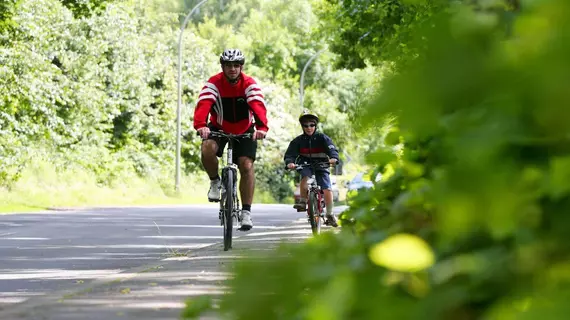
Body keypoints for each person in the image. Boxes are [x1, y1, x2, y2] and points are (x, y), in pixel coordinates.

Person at [193, 49, 268, 231]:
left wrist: (262, 128)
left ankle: (246, 213)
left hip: (244, 129)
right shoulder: (214, 83)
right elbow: (204, 104)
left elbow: (258, 105)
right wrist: (200, 125)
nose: (232, 69)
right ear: (223, 67)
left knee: (246, 165)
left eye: (236, 65)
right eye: (228, 66)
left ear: (241, 67)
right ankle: (215, 181)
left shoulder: (249, 84)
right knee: (207, 148)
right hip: (218, 127)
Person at [284, 110, 339, 227]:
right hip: (305, 163)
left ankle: (330, 213)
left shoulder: (323, 138)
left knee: (327, 188)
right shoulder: (298, 141)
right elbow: (290, 154)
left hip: (322, 163)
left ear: (315, 125)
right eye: (306, 125)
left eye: (312, 125)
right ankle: (303, 201)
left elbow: (332, 149)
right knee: (305, 177)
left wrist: (333, 158)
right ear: (302, 126)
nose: (309, 128)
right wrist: (290, 163)